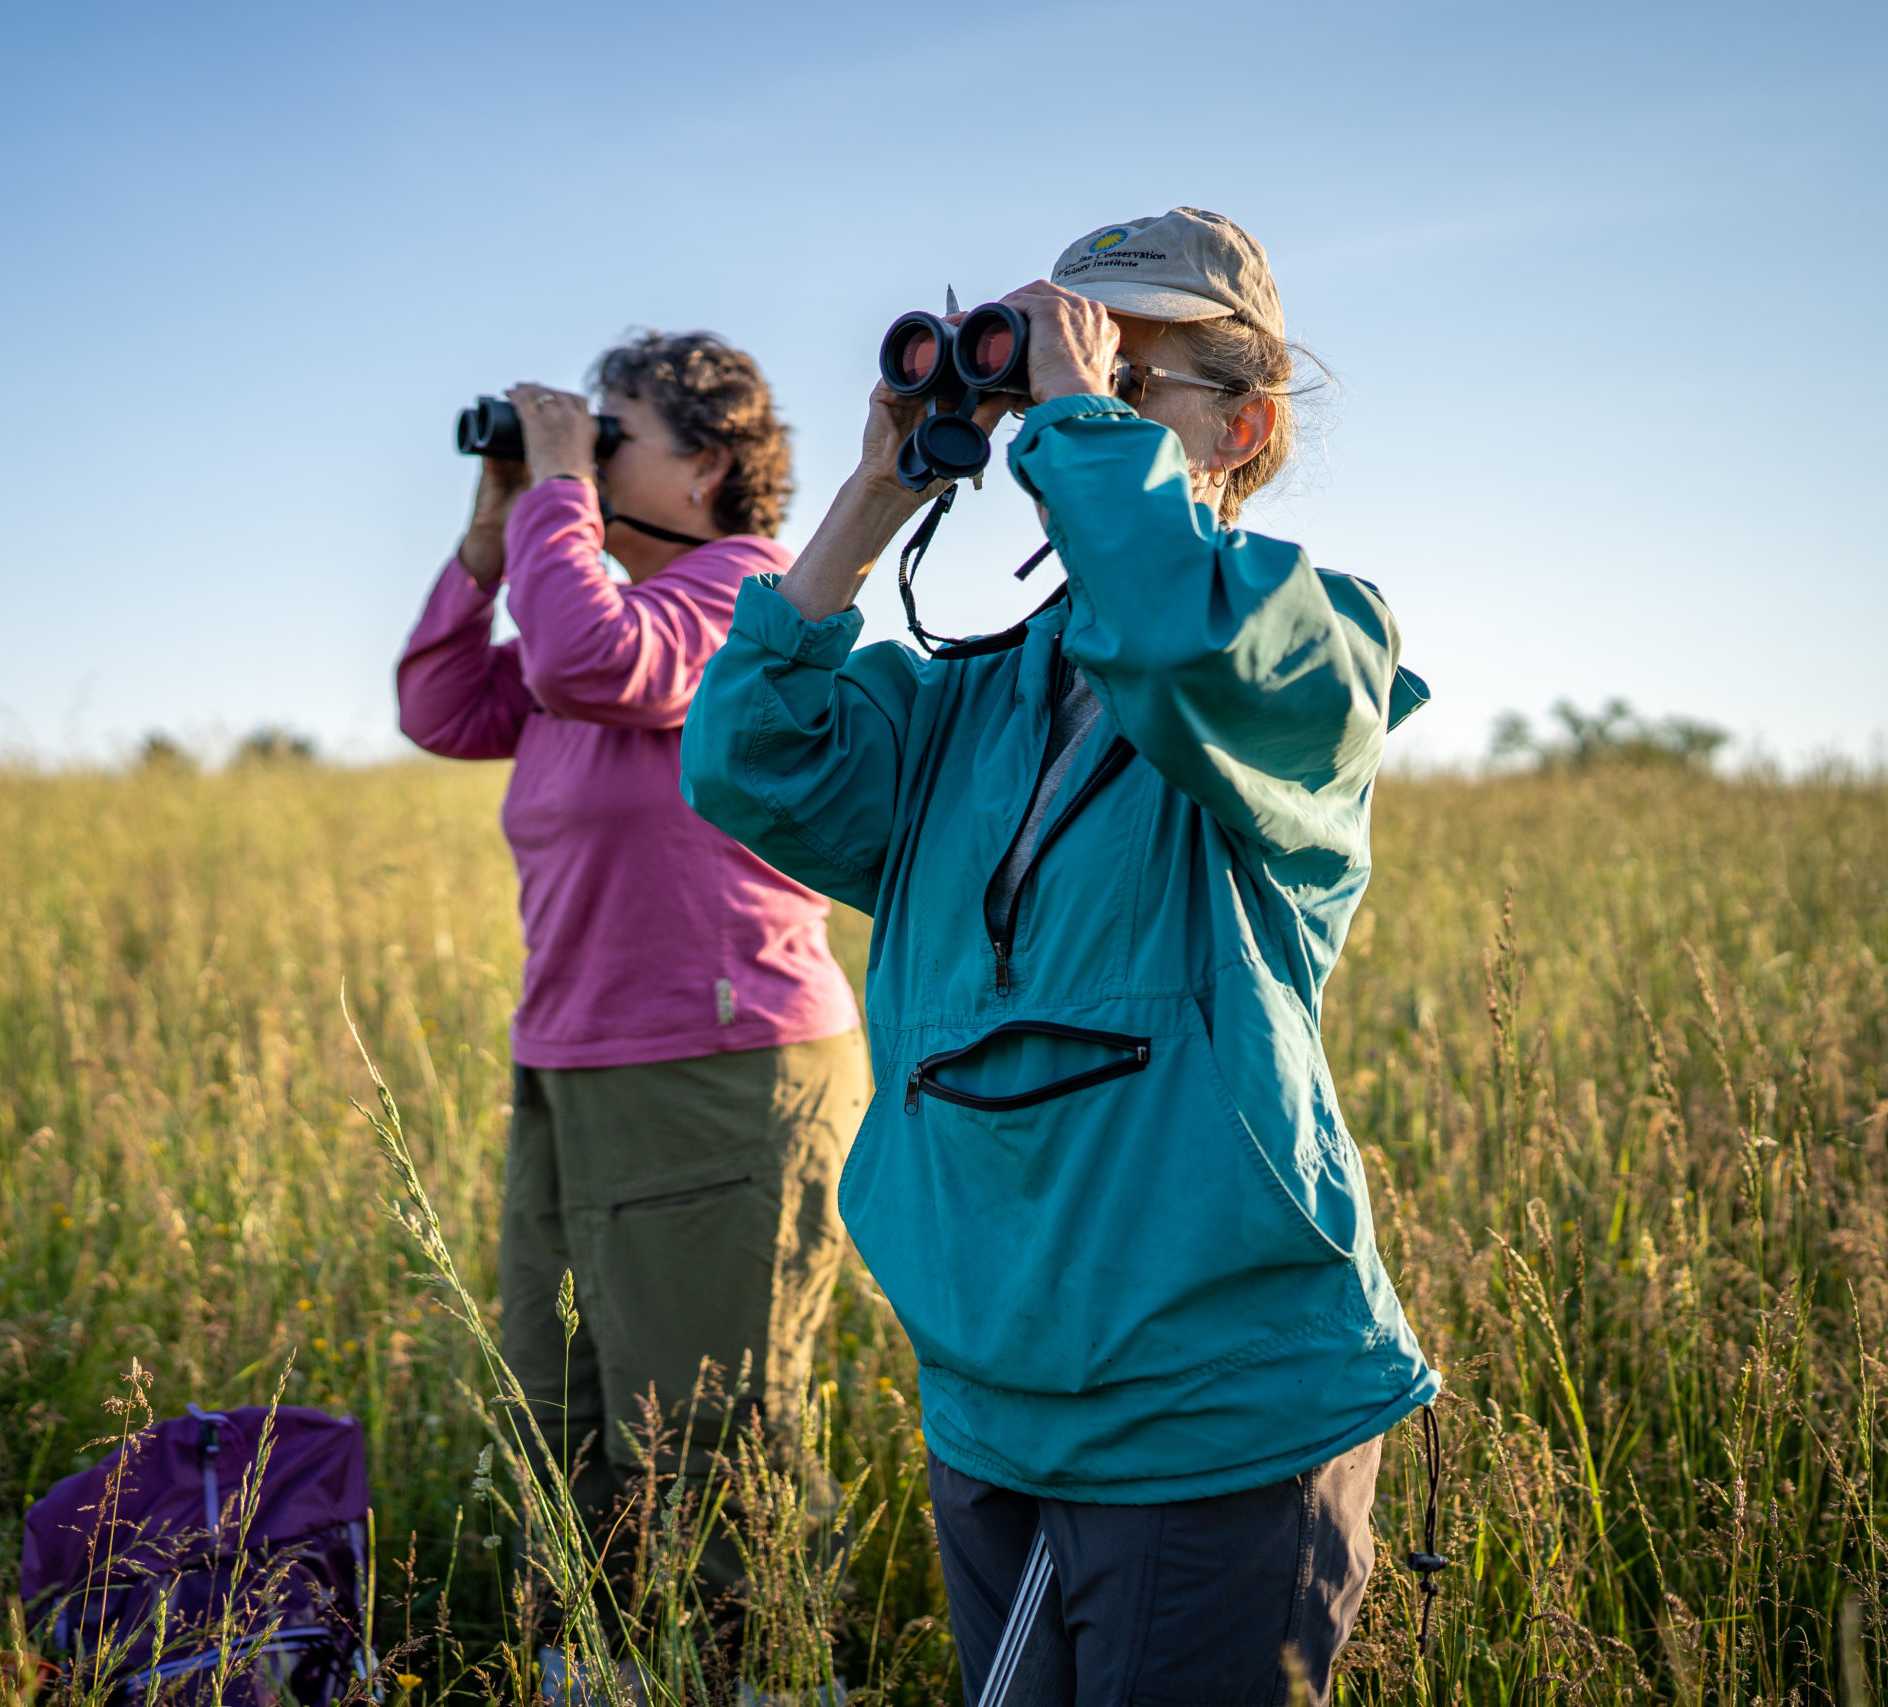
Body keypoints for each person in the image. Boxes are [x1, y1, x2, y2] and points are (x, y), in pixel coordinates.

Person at [679, 209, 1439, 1705]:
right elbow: (744, 759)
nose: (1065, 423)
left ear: (1244, 426)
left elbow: (1181, 638)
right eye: (1057, 382)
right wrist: (875, 491)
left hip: (1214, 1411)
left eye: (1130, 383)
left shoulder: (1309, 645)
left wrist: (1085, 424)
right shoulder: (966, 704)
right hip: (994, 1397)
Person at [394, 333, 871, 1633]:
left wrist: (555, 497)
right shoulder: (582, 614)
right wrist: (491, 543)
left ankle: (765, 1675)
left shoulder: (747, 593)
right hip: (575, 1062)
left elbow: (589, 667)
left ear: (711, 465)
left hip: (719, 1069)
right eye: (578, 441)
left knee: (713, 1439)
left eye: (611, 440)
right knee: (563, 1414)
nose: (584, 465)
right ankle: (589, 1670)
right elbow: (442, 707)